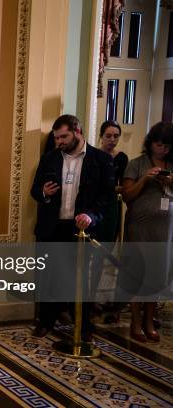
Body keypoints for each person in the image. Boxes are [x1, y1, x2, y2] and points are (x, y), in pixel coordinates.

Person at [30, 114, 115, 340]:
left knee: (78, 280)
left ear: (78, 132)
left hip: (81, 230)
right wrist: (44, 194)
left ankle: (83, 327)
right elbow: (35, 191)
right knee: (50, 277)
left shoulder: (100, 160)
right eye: (57, 137)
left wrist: (91, 215)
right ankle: (46, 322)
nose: (59, 141)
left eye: (64, 136)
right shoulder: (49, 158)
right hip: (52, 227)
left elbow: (107, 198)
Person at [120, 121, 173, 343]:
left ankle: (150, 320)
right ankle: (135, 321)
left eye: (168, 146)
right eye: (159, 145)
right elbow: (127, 195)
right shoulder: (136, 164)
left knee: (156, 274)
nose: (163, 149)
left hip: (164, 228)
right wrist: (146, 178)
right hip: (139, 227)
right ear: (151, 143)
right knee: (137, 272)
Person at [89, 121, 128, 317]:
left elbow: (123, 184)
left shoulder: (121, 158)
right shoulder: (93, 156)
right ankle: (84, 298)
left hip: (113, 208)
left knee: (104, 254)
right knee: (90, 253)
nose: (112, 140)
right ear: (101, 136)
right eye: (108, 136)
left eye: (116, 136)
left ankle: (94, 297)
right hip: (96, 208)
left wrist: (117, 190)